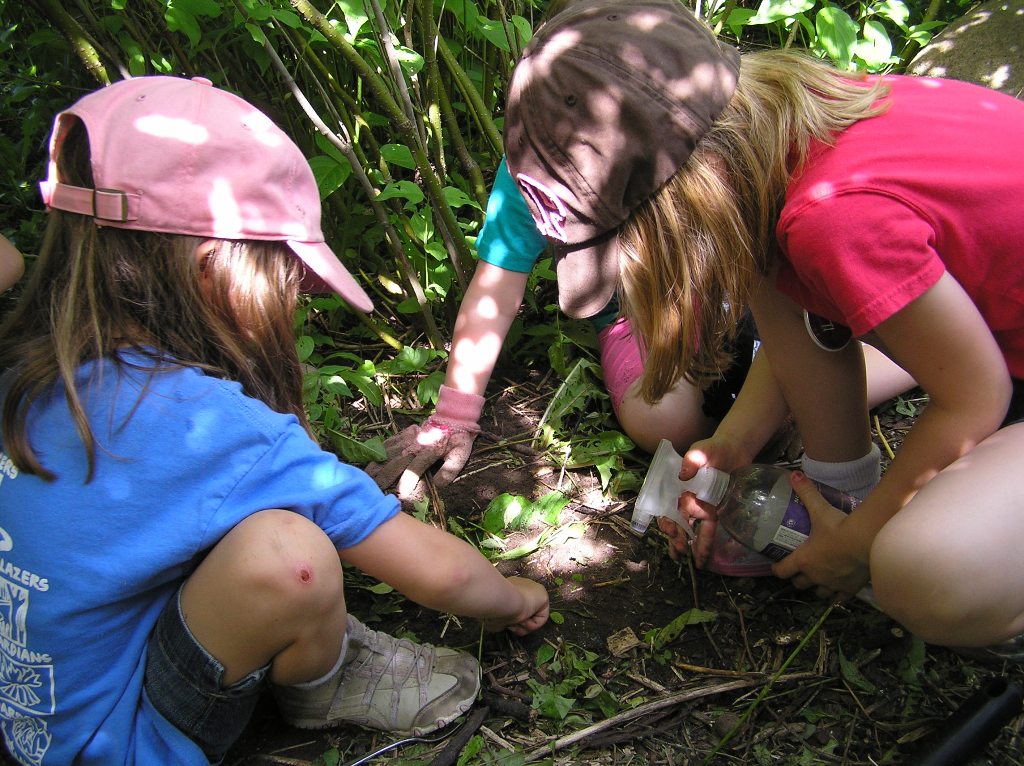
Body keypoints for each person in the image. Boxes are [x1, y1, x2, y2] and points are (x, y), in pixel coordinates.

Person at [0, 75, 549, 766]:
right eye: (285, 275)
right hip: (124, 746)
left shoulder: (22, 372)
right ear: (211, 273)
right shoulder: (210, 427)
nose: (294, 302)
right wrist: (515, 595)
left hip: (30, 721)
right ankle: (322, 682)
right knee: (290, 554)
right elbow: (440, 575)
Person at [501, 0, 1024, 655]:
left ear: (687, 194)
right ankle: (844, 496)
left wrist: (859, 548)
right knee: (773, 282)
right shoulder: (798, 147)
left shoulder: (838, 217)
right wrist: (735, 440)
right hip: (1001, 345)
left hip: (994, 380)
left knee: (923, 572)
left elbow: (975, 398)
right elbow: (803, 318)